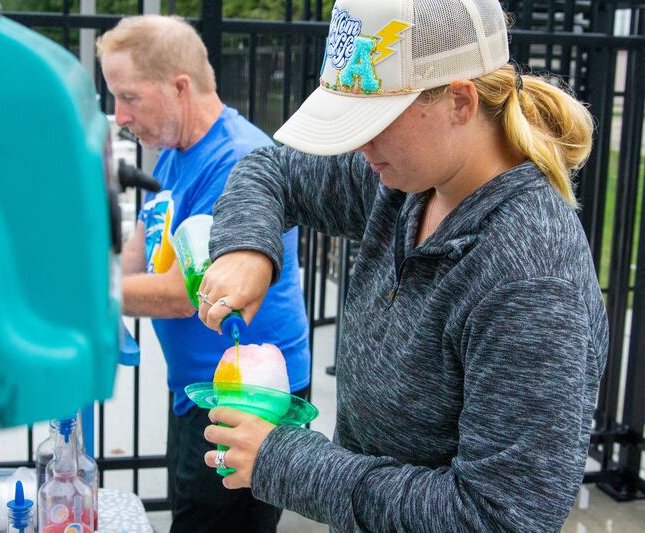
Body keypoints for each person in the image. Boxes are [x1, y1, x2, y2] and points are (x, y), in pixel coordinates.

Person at [196, 0, 609, 531]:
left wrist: (285, 463)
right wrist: (246, 248)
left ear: (460, 101)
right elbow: (270, 168)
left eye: (375, 120)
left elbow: (502, 517)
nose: (356, 143)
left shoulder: (528, 277)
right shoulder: (408, 181)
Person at [96, 16, 311, 533]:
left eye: (129, 97)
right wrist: (101, 278)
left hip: (247, 392)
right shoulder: (175, 151)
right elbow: (148, 240)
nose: (119, 115)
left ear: (179, 86)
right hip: (201, 383)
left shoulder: (235, 159)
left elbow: (183, 294)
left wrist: (86, 293)